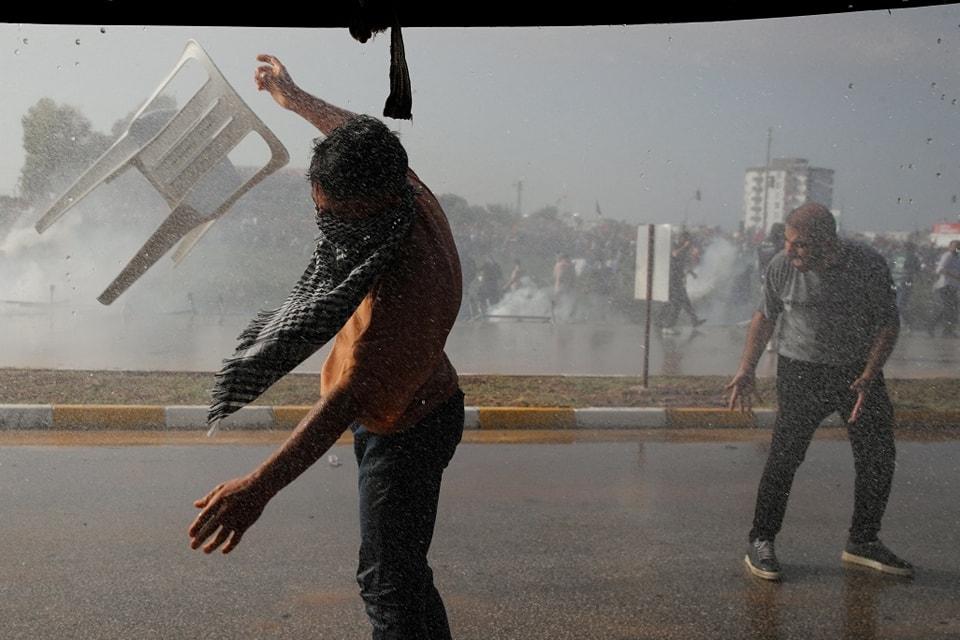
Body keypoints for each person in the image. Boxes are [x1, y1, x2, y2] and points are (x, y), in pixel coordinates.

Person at [188, 54, 465, 640]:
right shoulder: (401, 184)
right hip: (410, 404)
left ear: (380, 205)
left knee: (387, 584)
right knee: (405, 578)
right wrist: (293, 97)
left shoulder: (403, 289)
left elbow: (347, 399)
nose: (331, 228)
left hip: (405, 431)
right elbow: (353, 131)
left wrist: (258, 487)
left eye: (342, 219)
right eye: (323, 211)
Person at [725, 203, 912, 582]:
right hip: (800, 372)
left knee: (878, 456)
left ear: (829, 243)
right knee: (785, 457)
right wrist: (747, 368)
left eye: (801, 245)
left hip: (857, 375)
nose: (790, 251)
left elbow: (888, 323)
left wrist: (870, 373)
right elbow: (765, 316)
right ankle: (761, 539)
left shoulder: (868, 266)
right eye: (787, 241)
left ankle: (863, 541)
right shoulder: (781, 266)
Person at [657, 230, 705, 334]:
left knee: (682, 301)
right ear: (683, 239)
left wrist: (691, 273)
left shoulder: (685, 249)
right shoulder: (676, 245)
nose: (688, 241)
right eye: (686, 239)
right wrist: (683, 247)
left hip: (678, 278)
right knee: (676, 303)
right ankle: (665, 324)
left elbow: (681, 264)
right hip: (673, 279)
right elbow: (674, 254)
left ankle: (694, 320)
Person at [927, 240, 960, 338]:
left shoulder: (958, 257)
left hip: (953, 287)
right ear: (950, 247)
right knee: (942, 308)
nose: (956, 249)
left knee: (952, 310)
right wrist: (954, 276)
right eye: (955, 247)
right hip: (943, 286)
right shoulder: (947, 256)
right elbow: (940, 270)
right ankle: (930, 327)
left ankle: (948, 331)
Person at [888, 241, 922, 332]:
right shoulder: (913, 257)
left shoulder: (895, 256)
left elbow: (889, 268)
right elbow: (918, 271)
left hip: (896, 283)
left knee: (897, 305)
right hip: (904, 283)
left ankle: (905, 323)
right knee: (900, 305)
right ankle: (906, 323)